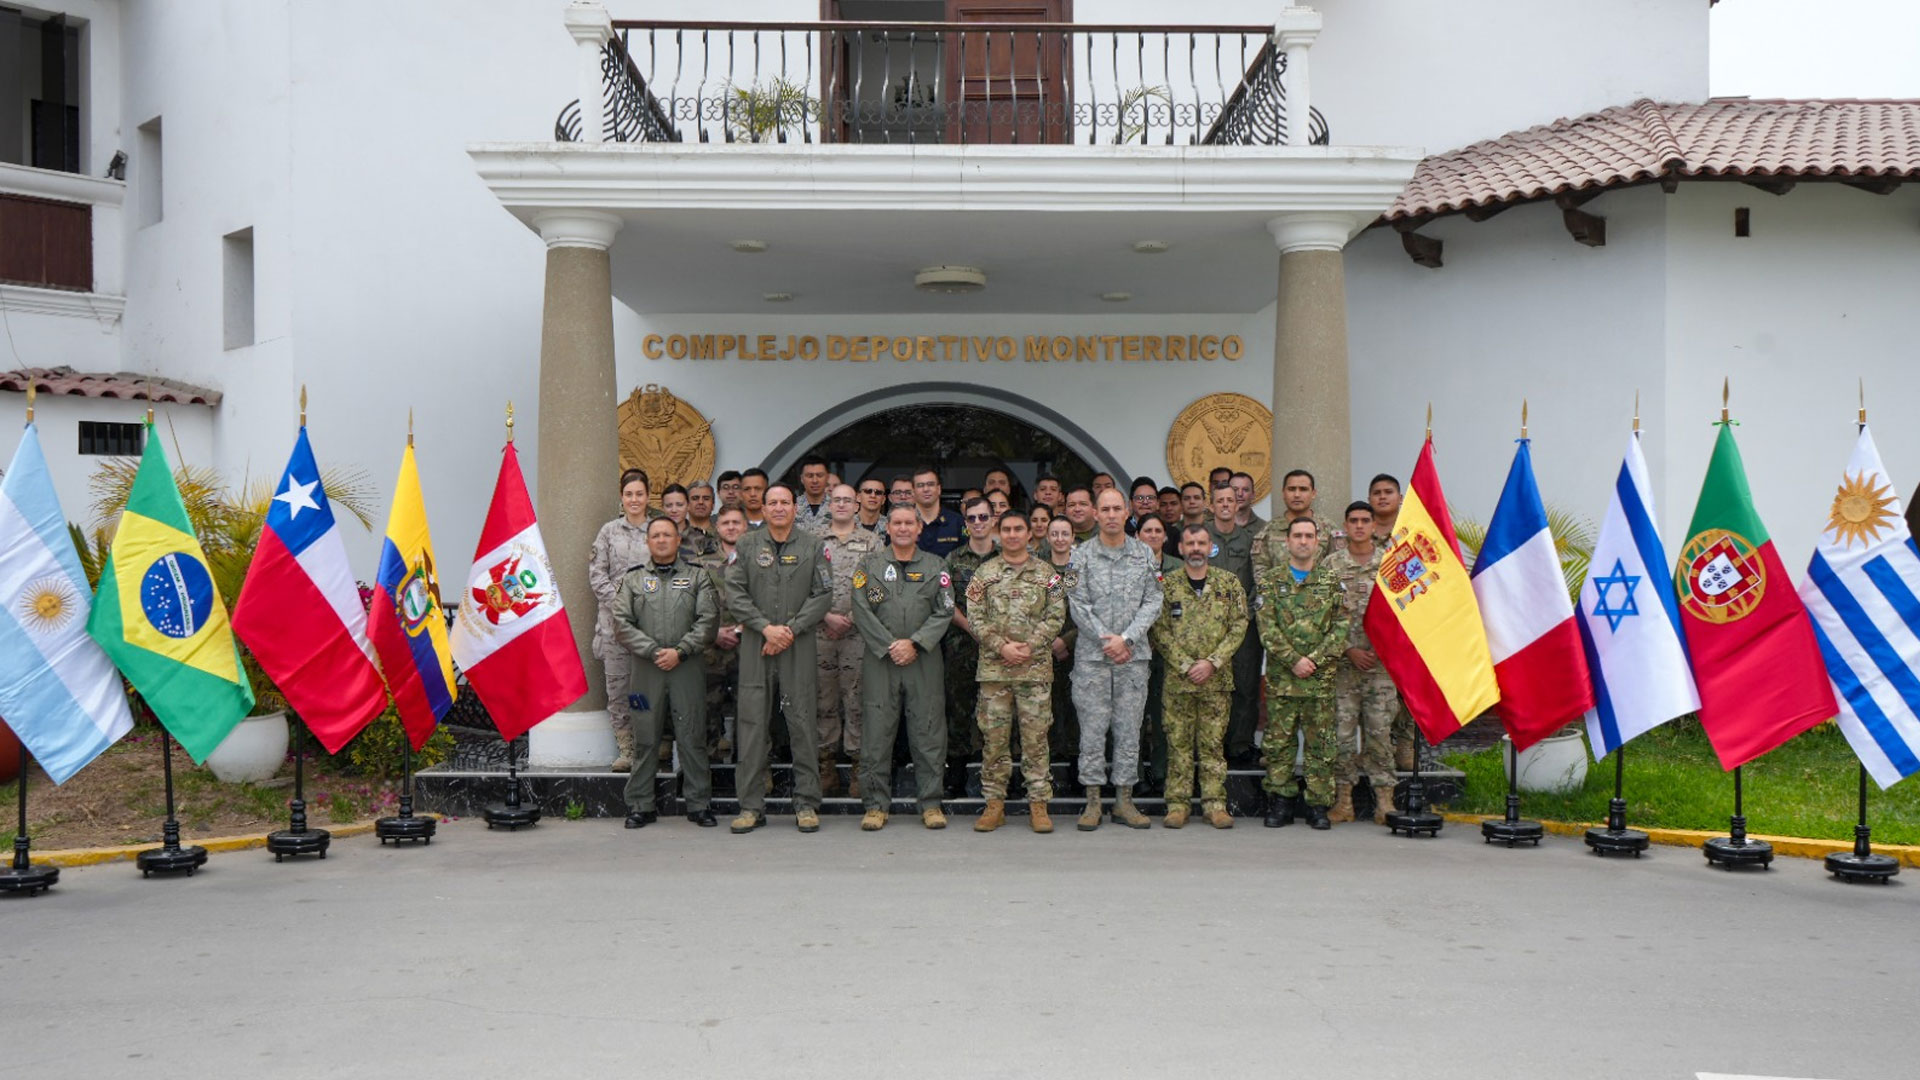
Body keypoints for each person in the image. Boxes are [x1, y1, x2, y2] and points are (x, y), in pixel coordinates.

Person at [724, 484, 832, 834]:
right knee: (753, 725)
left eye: (786, 502)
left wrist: (789, 630)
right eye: (773, 503)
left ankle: (806, 804)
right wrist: (765, 628)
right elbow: (735, 593)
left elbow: (823, 595)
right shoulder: (746, 545)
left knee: (802, 722)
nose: (780, 508)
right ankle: (751, 806)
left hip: (797, 646)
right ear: (764, 509)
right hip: (757, 644)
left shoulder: (813, 546)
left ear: (794, 508)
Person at [851, 505, 956, 831]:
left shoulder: (936, 566)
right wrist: (889, 645)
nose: (903, 528)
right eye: (897, 522)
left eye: (909, 522)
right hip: (881, 660)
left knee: (928, 732)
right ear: (889, 527)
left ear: (919, 528)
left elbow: (946, 609)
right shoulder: (868, 565)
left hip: (923, 659)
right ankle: (876, 805)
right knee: (877, 733)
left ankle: (930, 804)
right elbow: (860, 608)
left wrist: (916, 642)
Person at [612, 517, 720, 829]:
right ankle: (641, 805)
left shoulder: (698, 577)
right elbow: (621, 623)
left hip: (687, 668)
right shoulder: (632, 580)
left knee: (692, 735)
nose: (661, 540)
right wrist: (653, 651)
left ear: (677, 541)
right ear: (648, 542)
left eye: (667, 535)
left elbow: (708, 620)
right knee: (645, 736)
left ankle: (699, 805)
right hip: (646, 672)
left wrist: (680, 651)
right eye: (655, 535)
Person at [1066, 488, 1164, 830]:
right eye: (1104, 509)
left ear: (1127, 513)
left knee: (1129, 730)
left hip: (1132, 659)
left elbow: (1154, 601)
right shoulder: (1079, 557)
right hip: (1093, 659)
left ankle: (1124, 800)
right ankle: (1092, 800)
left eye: (1116, 509)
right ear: (1095, 514)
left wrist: (1127, 639)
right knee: (1092, 731)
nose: (1110, 515)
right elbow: (1076, 604)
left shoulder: (1145, 555)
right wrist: (1107, 640)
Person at [967, 509, 1066, 834]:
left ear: (1028, 534)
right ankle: (994, 803)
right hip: (995, 673)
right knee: (994, 741)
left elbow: (1056, 615)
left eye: (1018, 529)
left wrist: (1029, 647)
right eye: (1006, 529)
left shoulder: (1047, 573)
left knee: (1036, 741)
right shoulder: (984, 573)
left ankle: (1039, 804)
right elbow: (975, 615)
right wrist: (1002, 647)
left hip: (1034, 672)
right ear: (998, 533)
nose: (1011, 534)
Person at [1149, 523, 1249, 829]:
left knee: (1212, 745)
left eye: (1201, 543)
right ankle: (1177, 804)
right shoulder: (1167, 585)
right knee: (1178, 745)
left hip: (1216, 682)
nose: (1195, 548)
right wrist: (1185, 664)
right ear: (1180, 548)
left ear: (1210, 548)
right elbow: (1157, 629)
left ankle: (1214, 804)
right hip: (1179, 683)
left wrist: (1212, 662)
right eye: (1190, 543)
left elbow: (1239, 624)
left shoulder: (1228, 583)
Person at [1254, 518, 1349, 831]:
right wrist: (1294, 660)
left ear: (1318, 541)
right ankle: (1280, 802)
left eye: (1309, 536)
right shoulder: (1270, 582)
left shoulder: (1331, 582)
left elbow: (1341, 627)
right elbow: (1266, 628)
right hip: (1283, 680)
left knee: (1321, 745)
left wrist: (1315, 660)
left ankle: (1318, 805)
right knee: (1278, 744)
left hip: (1319, 682)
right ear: (1287, 541)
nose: (1304, 541)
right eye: (1298, 536)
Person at [1324, 501, 1399, 825]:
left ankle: (1385, 801)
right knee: (1341, 736)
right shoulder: (1330, 565)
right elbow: (1320, 617)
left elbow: (1404, 615)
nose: (1359, 525)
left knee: (1380, 735)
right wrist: (1347, 650)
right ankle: (1344, 802)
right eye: (1353, 520)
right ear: (1345, 525)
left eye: (1364, 520)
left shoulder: (1390, 565)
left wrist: (1383, 651)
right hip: (1344, 668)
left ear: (1373, 525)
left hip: (1381, 669)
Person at [815, 484, 881, 798]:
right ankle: (826, 768)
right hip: (819, 632)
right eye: (836, 499)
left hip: (859, 635)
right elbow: (802, 585)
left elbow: (880, 586)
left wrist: (854, 617)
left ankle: (857, 768)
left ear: (857, 505)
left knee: (857, 701)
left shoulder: (872, 542)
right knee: (822, 700)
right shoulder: (812, 540)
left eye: (847, 500)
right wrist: (825, 616)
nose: (841, 504)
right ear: (829, 504)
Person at [589, 468, 654, 773]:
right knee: (618, 688)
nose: (634, 499)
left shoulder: (658, 530)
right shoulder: (608, 532)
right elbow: (596, 574)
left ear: (648, 496)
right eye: (629, 494)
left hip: (650, 623)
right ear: (621, 497)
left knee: (647, 687)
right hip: (614, 625)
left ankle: (649, 746)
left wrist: (643, 605)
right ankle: (626, 749)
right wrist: (622, 603)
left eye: (639, 494)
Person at [941, 496, 998, 797]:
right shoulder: (952, 559)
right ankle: (957, 777)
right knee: (959, 711)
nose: (978, 523)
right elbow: (946, 603)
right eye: (972, 519)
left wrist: (992, 636)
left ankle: (1002, 777)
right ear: (965, 525)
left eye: (983, 517)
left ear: (993, 520)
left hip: (1001, 651)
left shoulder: (1007, 557)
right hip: (962, 646)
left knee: (1000, 713)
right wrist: (974, 630)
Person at [1204, 484, 1263, 769]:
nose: (1226, 504)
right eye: (1220, 501)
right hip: (1208, 627)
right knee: (1210, 685)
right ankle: (1210, 743)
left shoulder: (1252, 539)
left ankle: (1239, 744)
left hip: (1243, 626)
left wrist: (1246, 614)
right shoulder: (1201, 536)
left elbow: (1257, 581)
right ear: (1211, 505)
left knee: (1246, 684)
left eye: (1230, 500)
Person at [1132, 514, 1178, 798]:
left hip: (1168, 654)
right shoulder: (1126, 567)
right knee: (1132, 718)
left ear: (1165, 536)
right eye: (1146, 530)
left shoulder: (1179, 568)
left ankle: (1161, 772)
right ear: (1137, 537)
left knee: (1164, 717)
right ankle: (1134, 774)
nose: (1152, 535)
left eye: (1157, 530)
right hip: (1134, 652)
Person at [697, 506, 748, 761]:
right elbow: (691, 604)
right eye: (725, 522)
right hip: (711, 646)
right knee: (708, 707)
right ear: (717, 528)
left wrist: (740, 629)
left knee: (749, 709)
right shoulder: (701, 562)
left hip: (748, 643)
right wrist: (714, 632)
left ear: (745, 526)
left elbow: (767, 600)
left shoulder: (758, 559)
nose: (731, 527)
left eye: (736, 522)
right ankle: (709, 766)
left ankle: (749, 765)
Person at [1252, 469, 1340, 579]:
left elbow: (1337, 566)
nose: (1297, 495)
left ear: (1313, 493)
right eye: (1291, 489)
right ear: (1283, 493)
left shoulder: (1328, 529)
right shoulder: (1269, 530)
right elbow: (1260, 569)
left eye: (1303, 489)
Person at [1044, 516, 1080, 764]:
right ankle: (1052, 761)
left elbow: (1092, 610)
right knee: (1048, 709)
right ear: (1048, 537)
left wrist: (1066, 641)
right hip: (1044, 650)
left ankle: (1075, 763)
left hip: (1079, 649)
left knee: (1075, 710)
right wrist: (1051, 641)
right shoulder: (1037, 570)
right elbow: (1030, 611)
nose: (1059, 539)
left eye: (1064, 534)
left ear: (1073, 538)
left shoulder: (1081, 570)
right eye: (1054, 534)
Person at [912, 465, 966, 558]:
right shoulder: (903, 523)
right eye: (920, 485)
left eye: (930, 484)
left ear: (939, 489)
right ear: (913, 492)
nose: (926, 489)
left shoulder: (957, 522)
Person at [794, 454, 832, 531]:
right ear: (802, 478)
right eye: (810, 476)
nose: (815, 480)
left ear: (827, 477)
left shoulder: (838, 507)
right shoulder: (792, 508)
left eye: (819, 475)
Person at [1368, 473, 1403, 544]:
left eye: (1388, 492)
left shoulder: (1411, 530)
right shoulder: (1358, 532)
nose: (1382, 497)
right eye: (1377, 493)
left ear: (1400, 499)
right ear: (1369, 500)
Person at [686, 481, 717, 546]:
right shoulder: (675, 536)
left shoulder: (723, 535)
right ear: (686, 504)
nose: (700, 502)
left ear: (713, 505)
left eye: (706, 498)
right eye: (695, 498)